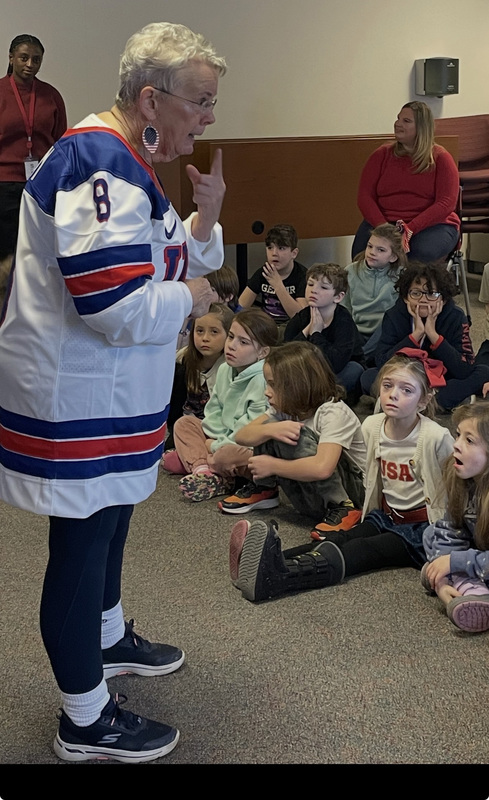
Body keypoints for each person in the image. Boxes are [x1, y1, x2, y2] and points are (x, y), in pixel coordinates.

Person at [0, 21, 227, 763]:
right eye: (200, 100)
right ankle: (84, 718)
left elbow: (161, 254)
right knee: (82, 539)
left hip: (113, 392)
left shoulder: (131, 152)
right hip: (77, 397)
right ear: (152, 97)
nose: (209, 115)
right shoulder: (98, 159)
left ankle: (107, 639)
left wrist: (210, 215)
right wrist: (191, 298)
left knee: (115, 517)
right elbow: (111, 299)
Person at [229, 350, 454, 603]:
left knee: (363, 551)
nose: (393, 395)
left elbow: (460, 483)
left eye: (407, 390)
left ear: (423, 401)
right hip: (386, 516)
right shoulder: (372, 426)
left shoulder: (435, 436)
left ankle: (281, 578)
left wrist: (456, 540)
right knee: (341, 538)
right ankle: (266, 559)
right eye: (388, 385)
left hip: (421, 530)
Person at [218, 341, 366, 535]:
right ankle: (264, 490)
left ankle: (344, 508)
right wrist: (271, 430)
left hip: (354, 494)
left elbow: (322, 468)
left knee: (298, 433)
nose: (266, 391)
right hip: (311, 496)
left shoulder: (333, 412)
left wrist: (271, 466)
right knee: (271, 428)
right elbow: (242, 436)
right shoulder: (285, 408)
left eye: (272, 385)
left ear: (298, 385)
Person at [171, 308, 278, 501]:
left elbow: (247, 431)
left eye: (243, 342)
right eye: (231, 337)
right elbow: (213, 410)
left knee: (226, 456)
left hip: (247, 445)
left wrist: (213, 446)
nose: (231, 346)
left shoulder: (262, 380)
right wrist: (213, 439)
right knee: (184, 423)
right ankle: (204, 470)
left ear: (263, 352)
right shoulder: (224, 369)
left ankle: (202, 465)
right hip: (219, 439)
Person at [360, 261, 489, 411]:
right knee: (369, 376)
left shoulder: (456, 317)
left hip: (442, 379)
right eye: (415, 293)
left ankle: (420, 403)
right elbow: (382, 362)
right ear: (406, 298)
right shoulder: (394, 315)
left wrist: (433, 335)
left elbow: (465, 368)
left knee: (483, 371)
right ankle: (431, 403)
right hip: (406, 379)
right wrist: (416, 335)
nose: (423, 299)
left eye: (431, 294)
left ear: (443, 299)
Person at [351, 102, 459, 263]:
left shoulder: (441, 158)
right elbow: (365, 197)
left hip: (431, 225)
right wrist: (384, 228)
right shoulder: (381, 154)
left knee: (417, 254)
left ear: (422, 127)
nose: (397, 124)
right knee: (361, 256)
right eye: (398, 119)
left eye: (406, 121)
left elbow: (446, 203)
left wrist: (410, 229)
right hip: (384, 222)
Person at [0, 34, 67, 295]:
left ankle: (32, 301)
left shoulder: (50, 96)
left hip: (41, 185)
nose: (30, 64)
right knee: (7, 249)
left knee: (37, 250)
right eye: (24, 58)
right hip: (4, 185)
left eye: (36, 60)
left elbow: (61, 142)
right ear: (11, 58)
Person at [422, 401, 489, 633]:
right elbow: (448, 529)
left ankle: (471, 589)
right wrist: (442, 577)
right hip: (480, 554)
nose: (456, 445)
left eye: (469, 441)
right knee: (431, 533)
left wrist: (452, 563)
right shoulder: (464, 479)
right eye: (458, 435)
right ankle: (464, 586)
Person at [283, 263, 365, 399]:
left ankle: (316, 396)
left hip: (337, 371)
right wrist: (307, 330)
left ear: (338, 297)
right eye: (310, 284)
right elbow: (286, 356)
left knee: (354, 371)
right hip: (308, 371)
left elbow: (335, 363)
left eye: (323, 287)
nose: (314, 290)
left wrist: (316, 334)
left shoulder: (343, 321)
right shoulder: (301, 317)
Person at [163, 302, 234, 455]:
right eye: (199, 331)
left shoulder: (231, 365)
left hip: (217, 428)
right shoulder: (183, 357)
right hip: (187, 424)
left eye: (214, 332)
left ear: (229, 335)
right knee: (169, 450)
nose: (205, 338)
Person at [341, 223, 407, 366]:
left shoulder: (402, 276)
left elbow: (398, 317)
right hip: (356, 331)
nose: (372, 252)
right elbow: (344, 309)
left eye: (380, 250)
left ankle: (362, 358)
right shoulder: (350, 271)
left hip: (384, 335)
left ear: (393, 257)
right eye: (370, 246)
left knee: (391, 321)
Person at [237, 223, 308, 333]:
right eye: (270, 247)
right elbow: (240, 308)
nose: (274, 253)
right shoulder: (263, 272)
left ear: (294, 253)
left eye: (281, 248)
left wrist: (278, 285)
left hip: (291, 328)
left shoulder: (302, 275)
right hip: (266, 327)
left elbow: (301, 317)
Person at [176, 263, 240, 350]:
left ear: (228, 297)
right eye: (204, 289)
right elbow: (176, 352)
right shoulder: (194, 313)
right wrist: (186, 320)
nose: (205, 294)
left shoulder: (239, 322)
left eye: (212, 290)